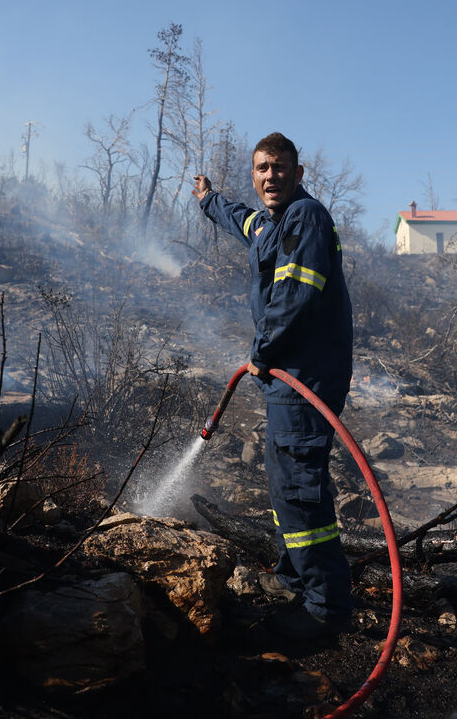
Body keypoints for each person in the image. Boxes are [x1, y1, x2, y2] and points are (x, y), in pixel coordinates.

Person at [191, 132, 353, 639]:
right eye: (262, 168)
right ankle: (293, 579)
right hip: (290, 375)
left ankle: (323, 608)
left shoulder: (305, 218)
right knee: (284, 478)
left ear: (298, 173)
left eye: (280, 167)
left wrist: (262, 353)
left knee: (298, 488)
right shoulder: (271, 222)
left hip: (304, 374)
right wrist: (208, 200)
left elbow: (296, 295)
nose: (269, 175)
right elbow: (241, 220)